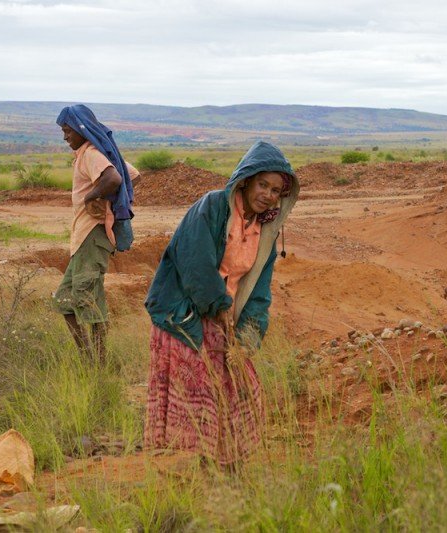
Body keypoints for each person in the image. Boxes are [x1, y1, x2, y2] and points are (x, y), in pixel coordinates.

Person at [144, 140, 299, 467]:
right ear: (245, 180)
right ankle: (201, 470)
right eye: (263, 185)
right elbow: (195, 263)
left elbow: (259, 291)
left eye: (276, 190)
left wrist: (248, 338)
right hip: (187, 314)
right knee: (203, 395)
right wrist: (217, 306)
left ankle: (229, 465)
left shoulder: (265, 232)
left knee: (243, 388)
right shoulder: (212, 208)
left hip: (225, 318)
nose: (269, 195)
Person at [53, 104, 139, 362]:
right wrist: (110, 201)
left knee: (87, 299)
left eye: (68, 131)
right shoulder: (94, 152)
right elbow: (131, 175)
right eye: (63, 131)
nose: (65, 137)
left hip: (92, 236)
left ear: (82, 129)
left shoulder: (91, 153)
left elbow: (115, 179)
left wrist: (96, 197)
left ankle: (99, 363)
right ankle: (88, 359)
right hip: (84, 239)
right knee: (66, 301)